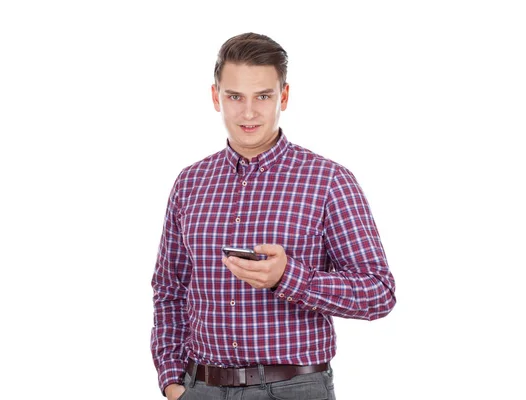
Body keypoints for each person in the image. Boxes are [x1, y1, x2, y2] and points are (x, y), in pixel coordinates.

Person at [151, 32, 396, 400]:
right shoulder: (189, 183)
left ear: (283, 96)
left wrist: (289, 277)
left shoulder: (328, 181)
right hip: (200, 387)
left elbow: (379, 292)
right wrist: (173, 382)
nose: (248, 112)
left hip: (293, 388)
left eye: (262, 96)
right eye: (235, 96)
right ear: (216, 97)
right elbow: (169, 289)